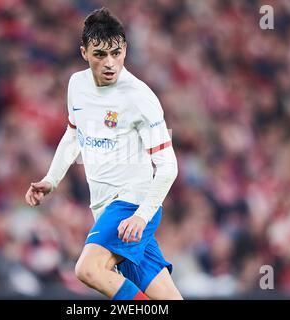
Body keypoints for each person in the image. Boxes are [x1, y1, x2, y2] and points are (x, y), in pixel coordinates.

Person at [25, 7, 183, 300]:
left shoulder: (140, 97)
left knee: (88, 269)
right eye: (100, 54)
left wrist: (141, 216)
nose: (110, 63)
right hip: (106, 209)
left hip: (132, 206)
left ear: (125, 48)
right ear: (84, 52)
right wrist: (51, 179)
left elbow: (168, 166)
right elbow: (74, 134)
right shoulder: (77, 84)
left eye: (116, 52)